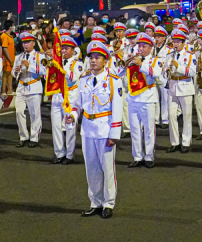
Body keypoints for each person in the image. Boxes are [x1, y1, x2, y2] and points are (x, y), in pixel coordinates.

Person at [72, 40, 123, 219]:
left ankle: (109, 203)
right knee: (91, 168)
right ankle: (95, 202)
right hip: (88, 128)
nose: (93, 61)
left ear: (105, 60)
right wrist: (71, 114)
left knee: (107, 168)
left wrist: (114, 133)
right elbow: (78, 103)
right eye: (91, 58)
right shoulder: (84, 80)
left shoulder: (113, 80)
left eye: (97, 58)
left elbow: (117, 107)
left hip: (104, 128)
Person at [123, 33, 163, 168]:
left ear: (150, 47)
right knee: (134, 129)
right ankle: (137, 156)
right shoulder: (133, 58)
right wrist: (125, 64)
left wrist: (142, 65)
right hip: (133, 98)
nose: (140, 49)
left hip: (148, 98)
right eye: (139, 46)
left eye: (143, 46)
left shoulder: (155, 60)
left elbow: (157, 74)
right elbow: (119, 73)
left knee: (149, 129)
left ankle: (149, 156)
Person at [50, 36, 84, 165]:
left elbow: (73, 78)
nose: (63, 51)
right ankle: (59, 153)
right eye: (62, 48)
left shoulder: (77, 63)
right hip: (57, 95)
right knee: (56, 126)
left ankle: (70, 154)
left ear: (72, 50)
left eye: (66, 48)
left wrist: (61, 69)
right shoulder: (56, 61)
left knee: (70, 126)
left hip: (70, 96)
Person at [11, 32, 46, 147]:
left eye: (27, 42)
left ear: (33, 43)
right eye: (23, 43)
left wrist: (29, 66)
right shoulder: (19, 56)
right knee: (19, 112)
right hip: (21, 86)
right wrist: (16, 71)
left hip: (34, 86)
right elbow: (12, 73)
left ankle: (34, 138)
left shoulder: (40, 56)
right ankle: (23, 136)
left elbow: (44, 71)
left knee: (34, 114)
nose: (25, 45)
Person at [165, 29, 196, 153]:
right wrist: (166, 70)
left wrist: (179, 67)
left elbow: (193, 72)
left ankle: (186, 142)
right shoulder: (169, 55)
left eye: (178, 42)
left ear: (183, 43)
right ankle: (174, 142)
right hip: (172, 86)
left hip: (185, 86)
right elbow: (163, 72)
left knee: (187, 115)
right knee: (171, 115)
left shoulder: (190, 55)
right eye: (174, 41)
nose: (176, 44)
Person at [0, 20, 16, 97]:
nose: (13, 27)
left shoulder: (10, 36)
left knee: (10, 74)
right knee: (5, 75)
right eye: (12, 26)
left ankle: (10, 90)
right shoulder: (4, 36)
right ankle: (3, 91)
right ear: (10, 27)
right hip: (7, 59)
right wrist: (10, 59)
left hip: (12, 59)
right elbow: (5, 49)